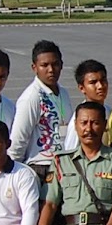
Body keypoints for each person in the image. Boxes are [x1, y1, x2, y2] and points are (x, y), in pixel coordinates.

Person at [10, 40, 75, 180]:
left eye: (55, 64)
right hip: (41, 167)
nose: (51, 70)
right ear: (34, 67)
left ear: (62, 65)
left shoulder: (63, 93)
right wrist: (13, 175)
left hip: (63, 165)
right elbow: (17, 141)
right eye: (44, 65)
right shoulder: (32, 97)